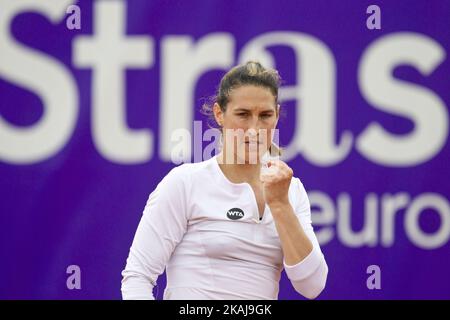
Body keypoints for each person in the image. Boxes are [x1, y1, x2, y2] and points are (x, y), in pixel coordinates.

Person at [121, 61, 328, 300]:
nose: (253, 129)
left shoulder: (291, 191)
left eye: (265, 116)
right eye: (243, 114)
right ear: (220, 114)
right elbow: (137, 277)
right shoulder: (184, 183)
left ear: (277, 115)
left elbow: (312, 285)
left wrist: (280, 204)